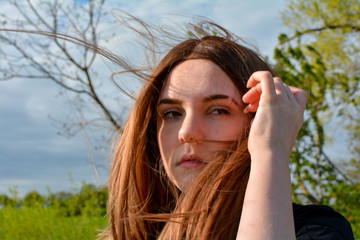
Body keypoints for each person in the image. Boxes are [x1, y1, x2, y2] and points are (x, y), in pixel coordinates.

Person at [98, 20, 354, 239]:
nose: (186, 132)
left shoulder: (313, 229)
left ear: (258, 122)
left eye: (218, 110)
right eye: (172, 113)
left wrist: (270, 151)